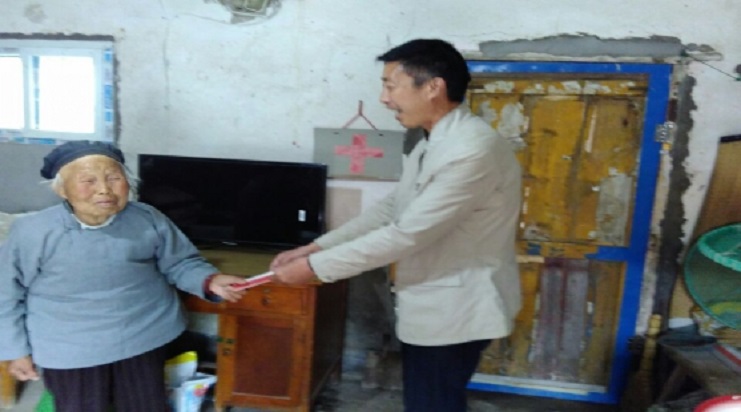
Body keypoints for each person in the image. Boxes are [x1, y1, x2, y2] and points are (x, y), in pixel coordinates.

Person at [270, 39, 523, 412]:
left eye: (391, 85)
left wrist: (314, 269)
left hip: (455, 309)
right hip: (433, 303)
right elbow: (393, 208)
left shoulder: (471, 149)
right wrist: (316, 247)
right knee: (427, 400)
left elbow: (407, 234)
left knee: (432, 404)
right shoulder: (432, 142)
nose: (384, 98)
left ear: (433, 87)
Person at [0, 140, 248, 412]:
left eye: (113, 178)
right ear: (61, 189)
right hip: (71, 347)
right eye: (88, 180)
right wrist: (14, 350)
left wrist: (209, 280)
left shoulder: (147, 217)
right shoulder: (33, 232)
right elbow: (6, 294)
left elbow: (180, 262)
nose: (104, 189)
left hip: (144, 336)